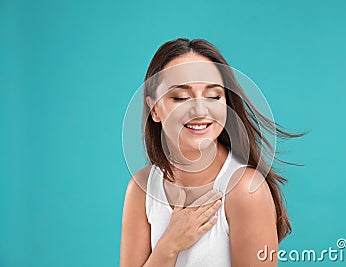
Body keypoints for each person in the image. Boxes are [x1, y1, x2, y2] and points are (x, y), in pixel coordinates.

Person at [120, 38, 303, 267]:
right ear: (154, 108)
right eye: (181, 97)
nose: (199, 109)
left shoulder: (245, 190)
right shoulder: (141, 189)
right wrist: (169, 245)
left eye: (213, 96)